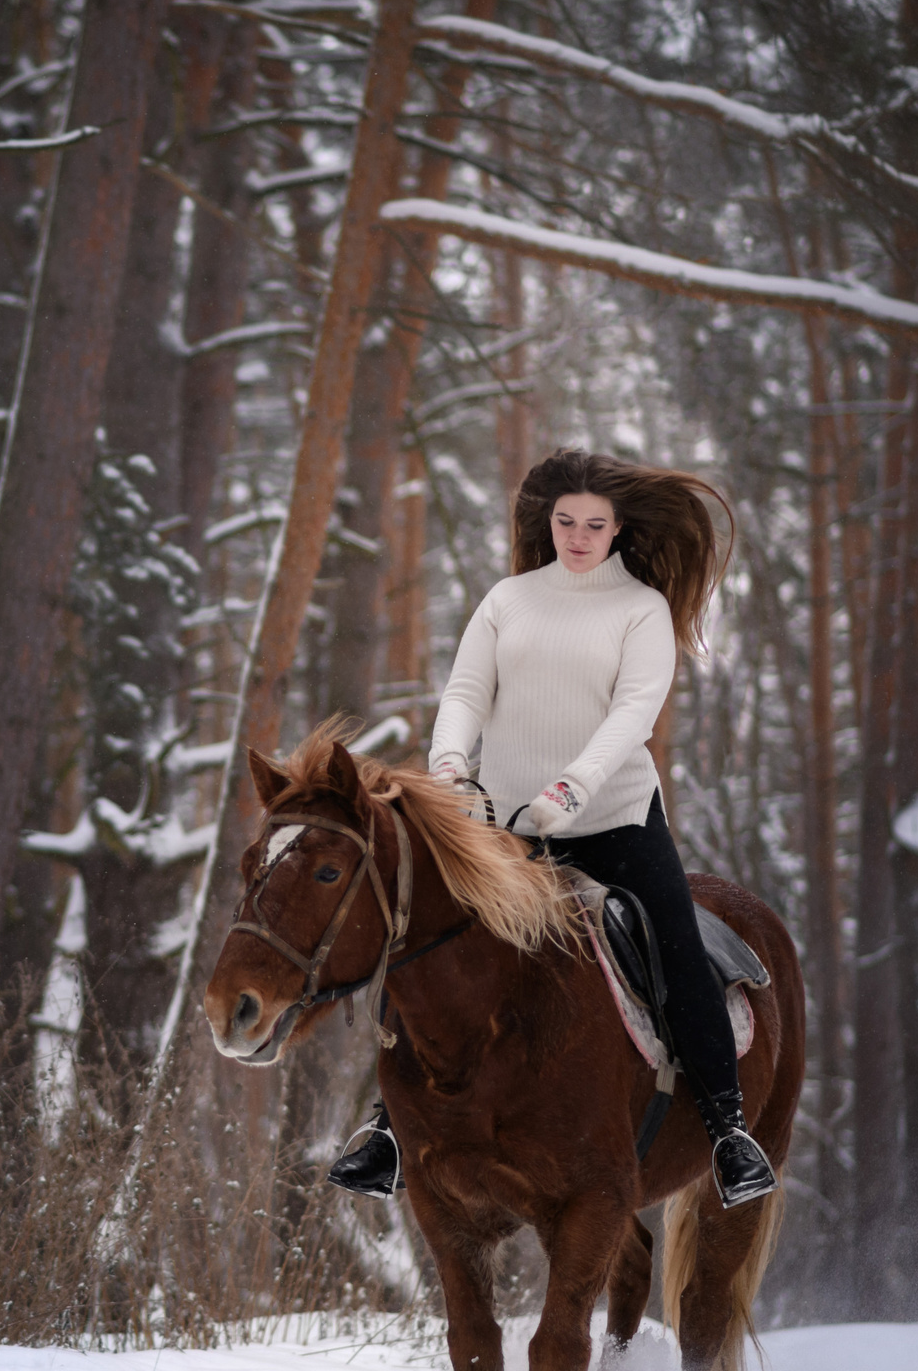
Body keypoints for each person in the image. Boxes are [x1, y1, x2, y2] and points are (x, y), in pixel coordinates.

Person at [328, 448, 777, 1209]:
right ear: (549, 521)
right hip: (502, 826)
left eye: (594, 523)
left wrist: (571, 788)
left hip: (614, 819)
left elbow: (633, 714)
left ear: (617, 527)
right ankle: (389, 1132)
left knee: (674, 948)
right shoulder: (509, 599)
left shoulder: (641, 610)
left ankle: (729, 1132)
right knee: (419, 940)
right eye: (565, 520)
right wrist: (450, 771)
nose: (577, 534)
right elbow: (467, 691)